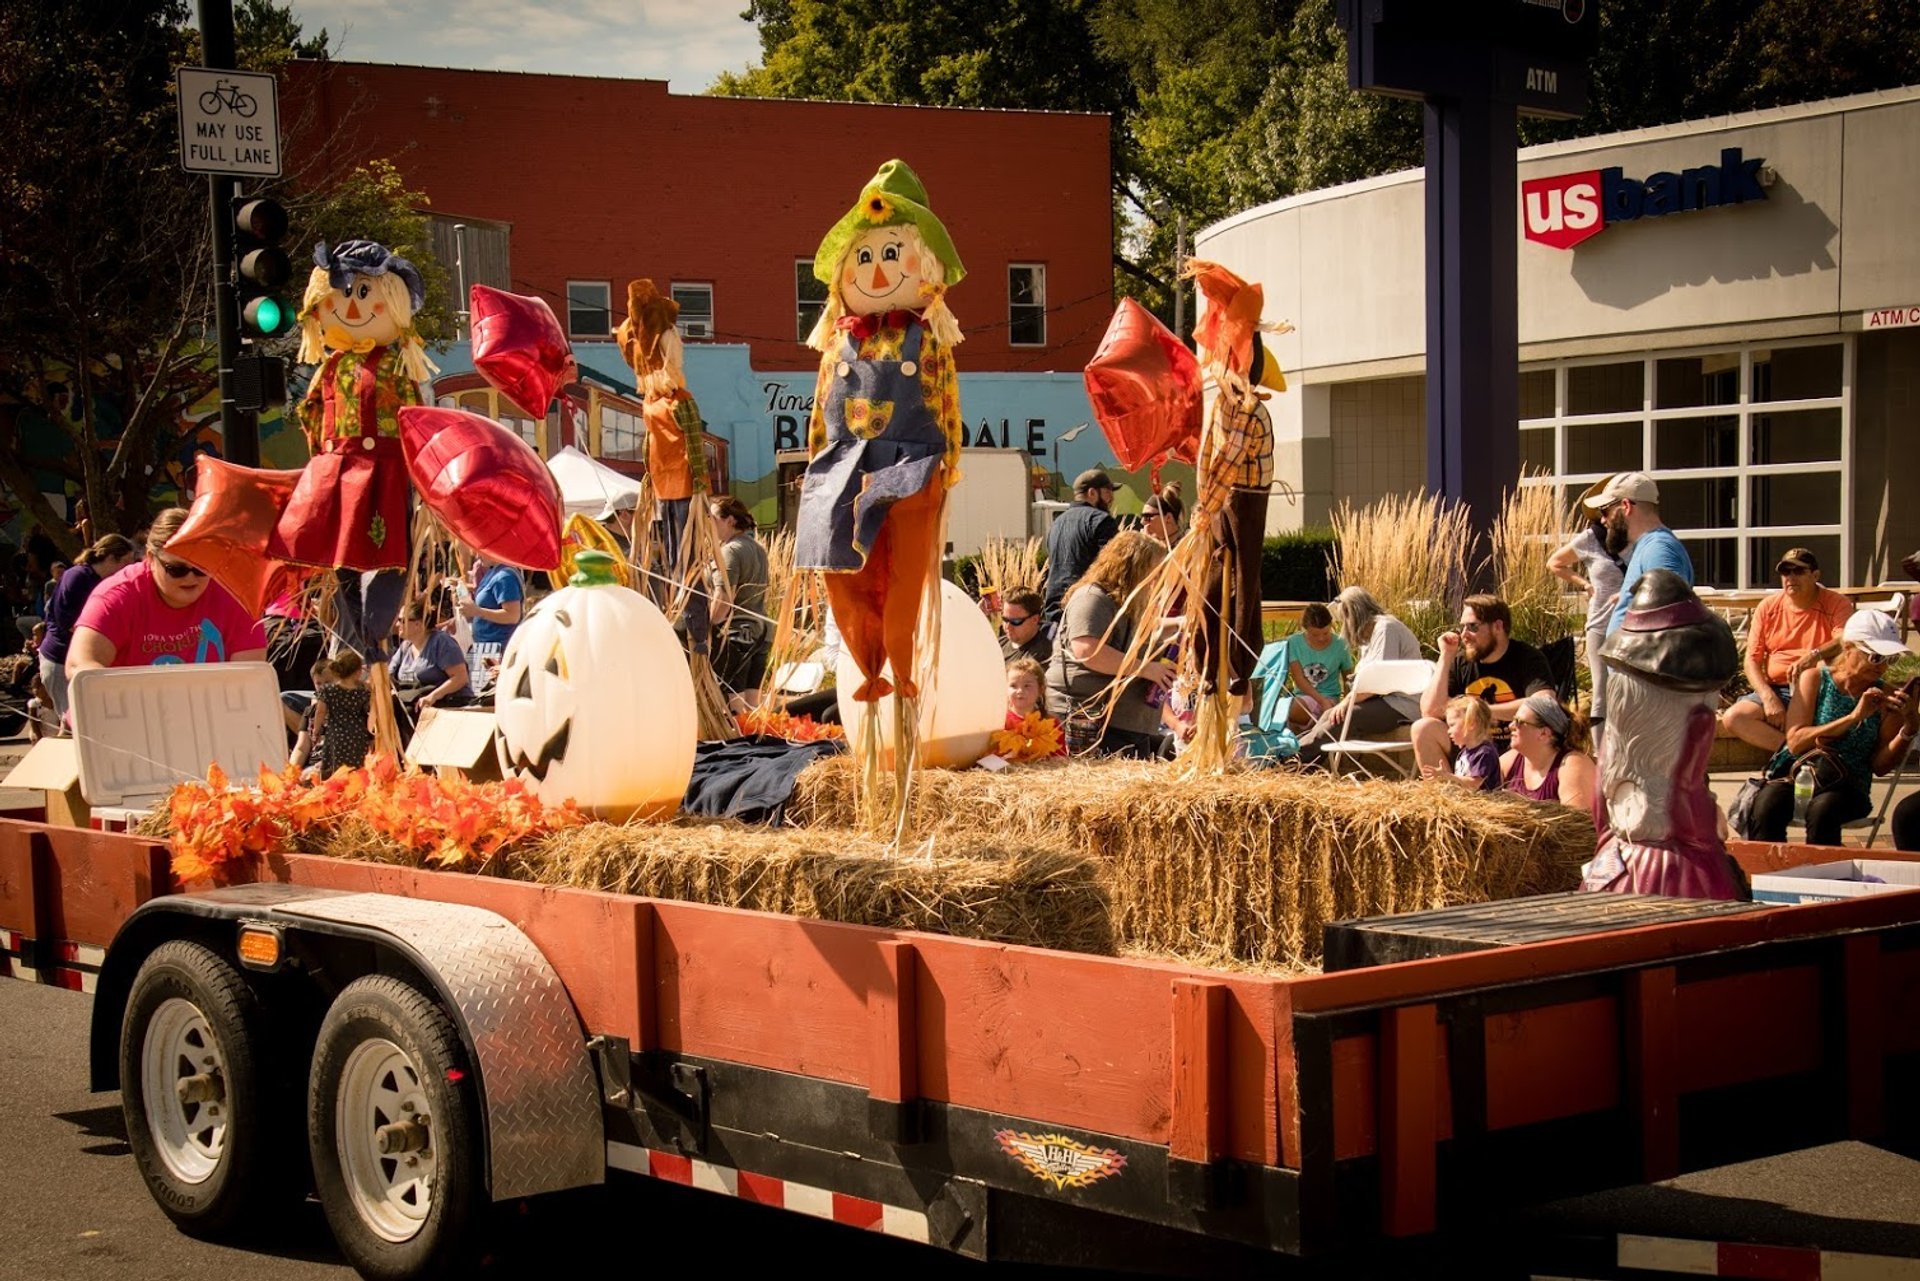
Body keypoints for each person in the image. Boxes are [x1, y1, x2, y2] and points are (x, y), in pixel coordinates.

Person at [1746, 610, 1915, 847]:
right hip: (1803, 775)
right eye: (1875, 657)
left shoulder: (1887, 699)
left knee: (1823, 810)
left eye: (1891, 658)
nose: (1882, 666)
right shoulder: (1815, 679)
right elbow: (1795, 741)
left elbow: (1880, 767)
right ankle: (1768, 877)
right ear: (1848, 647)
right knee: (1766, 805)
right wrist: (1853, 717)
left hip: (1850, 786)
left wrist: (1908, 726)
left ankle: (1825, 880)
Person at [66, 510, 267, 678]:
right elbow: (79, 666)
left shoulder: (235, 594)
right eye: (177, 569)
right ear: (151, 559)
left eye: (201, 568)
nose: (190, 578)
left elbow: (249, 678)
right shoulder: (117, 596)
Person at [1045, 530, 1174, 758]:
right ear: (1133, 566)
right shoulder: (1092, 598)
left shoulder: (1125, 602)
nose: (1157, 579)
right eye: (1154, 570)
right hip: (1089, 721)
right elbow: (1087, 650)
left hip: (1121, 723)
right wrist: (1147, 669)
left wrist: (1182, 624)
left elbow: (1150, 629)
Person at [1720, 547, 1854, 753]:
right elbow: (1751, 660)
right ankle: (1798, 755)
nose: (1790, 577)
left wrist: (1813, 656)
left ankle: (1803, 755)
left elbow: (1845, 641)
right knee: (1735, 717)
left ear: (1815, 575)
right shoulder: (1768, 607)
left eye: (1798, 571)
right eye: (1785, 572)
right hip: (1778, 689)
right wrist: (1768, 697)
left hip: (1820, 688)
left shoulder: (1836, 603)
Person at [1411, 594, 1554, 777]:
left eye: (1472, 627)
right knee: (1423, 728)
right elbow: (1430, 711)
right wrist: (1445, 656)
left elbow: (1545, 703)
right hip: (1470, 745)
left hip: (1514, 746)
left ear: (1497, 627)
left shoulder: (1527, 657)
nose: (1464, 635)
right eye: (1461, 627)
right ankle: (1448, 797)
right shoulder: (1460, 661)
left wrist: (1482, 711)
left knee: (1504, 755)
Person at [1547, 477, 1624, 725]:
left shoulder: (1639, 538)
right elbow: (1555, 563)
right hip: (1601, 623)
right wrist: (1585, 584)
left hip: (1633, 626)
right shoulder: (1592, 538)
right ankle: (1601, 755)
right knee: (1601, 688)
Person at [37, 533, 136, 725]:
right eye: (126, 563)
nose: (129, 569)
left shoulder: (101, 581)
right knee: (74, 725)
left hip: (79, 662)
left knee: (92, 722)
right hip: (60, 661)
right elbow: (70, 622)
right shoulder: (77, 577)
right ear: (109, 558)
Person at [1585, 472, 1693, 636]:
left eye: (1605, 511)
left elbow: (1669, 627)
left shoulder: (1659, 549)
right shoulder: (1648, 547)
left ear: (1626, 506)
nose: (1602, 520)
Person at [710, 495, 771, 711]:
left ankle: (739, 743)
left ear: (730, 520)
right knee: (752, 707)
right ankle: (755, 743)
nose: (709, 523)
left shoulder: (729, 551)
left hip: (736, 636)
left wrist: (707, 628)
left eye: (713, 518)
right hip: (761, 633)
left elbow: (724, 598)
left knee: (734, 708)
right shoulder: (758, 549)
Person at [1042, 469, 1120, 623]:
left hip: (1054, 609)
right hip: (1086, 608)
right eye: (1108, 492)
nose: (1111, 498)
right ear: (1092, 493)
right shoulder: (1101, 520)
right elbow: (1112, 569)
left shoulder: (1057, 523)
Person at [1502, 691, 1596, 811]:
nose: (1510, 725)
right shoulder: (1512, 760)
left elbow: (1578, 823)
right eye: (1513, 719)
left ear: (1544, 733)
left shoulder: (1573, 764)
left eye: (1519, 722)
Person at [1274, 603, 1352, 729]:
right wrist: (1321, 701)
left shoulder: (1340, 644)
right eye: (1315, 635)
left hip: (1330, 698)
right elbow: (1299, 679)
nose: (1321, 638)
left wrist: (1346, 705)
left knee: (1293, 710)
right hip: (1305, 697)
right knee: (1286, 708)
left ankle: (1308, 728)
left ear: (1331, 625)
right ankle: (1309, 728)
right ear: (1304, 629)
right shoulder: (1294, 642)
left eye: (1326, 633)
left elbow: (1348, 678)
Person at [389, 600, 471, 716]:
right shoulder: (406, 646)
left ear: (418, 624)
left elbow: (460, 678)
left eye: (401, 621)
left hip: (446, 704)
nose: (397, 625)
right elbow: (389, 674)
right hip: (412, 701)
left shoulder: (442, 642)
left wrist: (433, 696)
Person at [460, 553, 524, 689]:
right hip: (485, 647)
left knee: (490, 697)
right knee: (480, 695)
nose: (478, 555)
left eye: (482, 551)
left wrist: (477, 611)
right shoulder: (493, 572)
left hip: (497, 648)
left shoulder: (505, 576)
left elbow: (512, 615)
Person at [310, 651, 374, 778]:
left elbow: (320, 711)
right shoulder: (363, 691)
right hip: (358, 735)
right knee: (356, 768)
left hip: (336, 735)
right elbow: (370, 712)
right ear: (358, 672)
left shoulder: (328, 690)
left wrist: (316, 730)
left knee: (336, 768)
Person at [1427, 695, 1500, 791]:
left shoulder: (1484, 753)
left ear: (1471, 724)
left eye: (1452, 725)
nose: (1448, 731)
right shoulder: (1465, 752)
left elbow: (1474, 783)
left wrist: (1448, 776)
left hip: (1484, 802)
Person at [998, 587, 1052, 665]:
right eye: (1005, 619)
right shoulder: (1000, 643)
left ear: (1035, 619)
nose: (1008, 627)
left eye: (1016, 621)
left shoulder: (1040, 655)